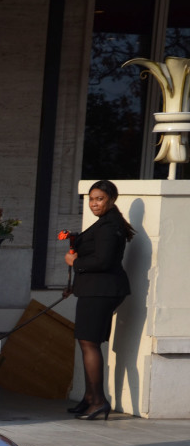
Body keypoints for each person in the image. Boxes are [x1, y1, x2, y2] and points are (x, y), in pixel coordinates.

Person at [63, 179, 135, 421]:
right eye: (91, 199)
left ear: (111, 200)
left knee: (89, 343)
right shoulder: (107, 223)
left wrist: (76, 263)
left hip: (101, 291)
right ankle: (90, 397)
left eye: (99, 199)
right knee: (87, 343)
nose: (94, 203)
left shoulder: (108, 226)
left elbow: (103, 261)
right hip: (98, 290)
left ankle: (98, 401)